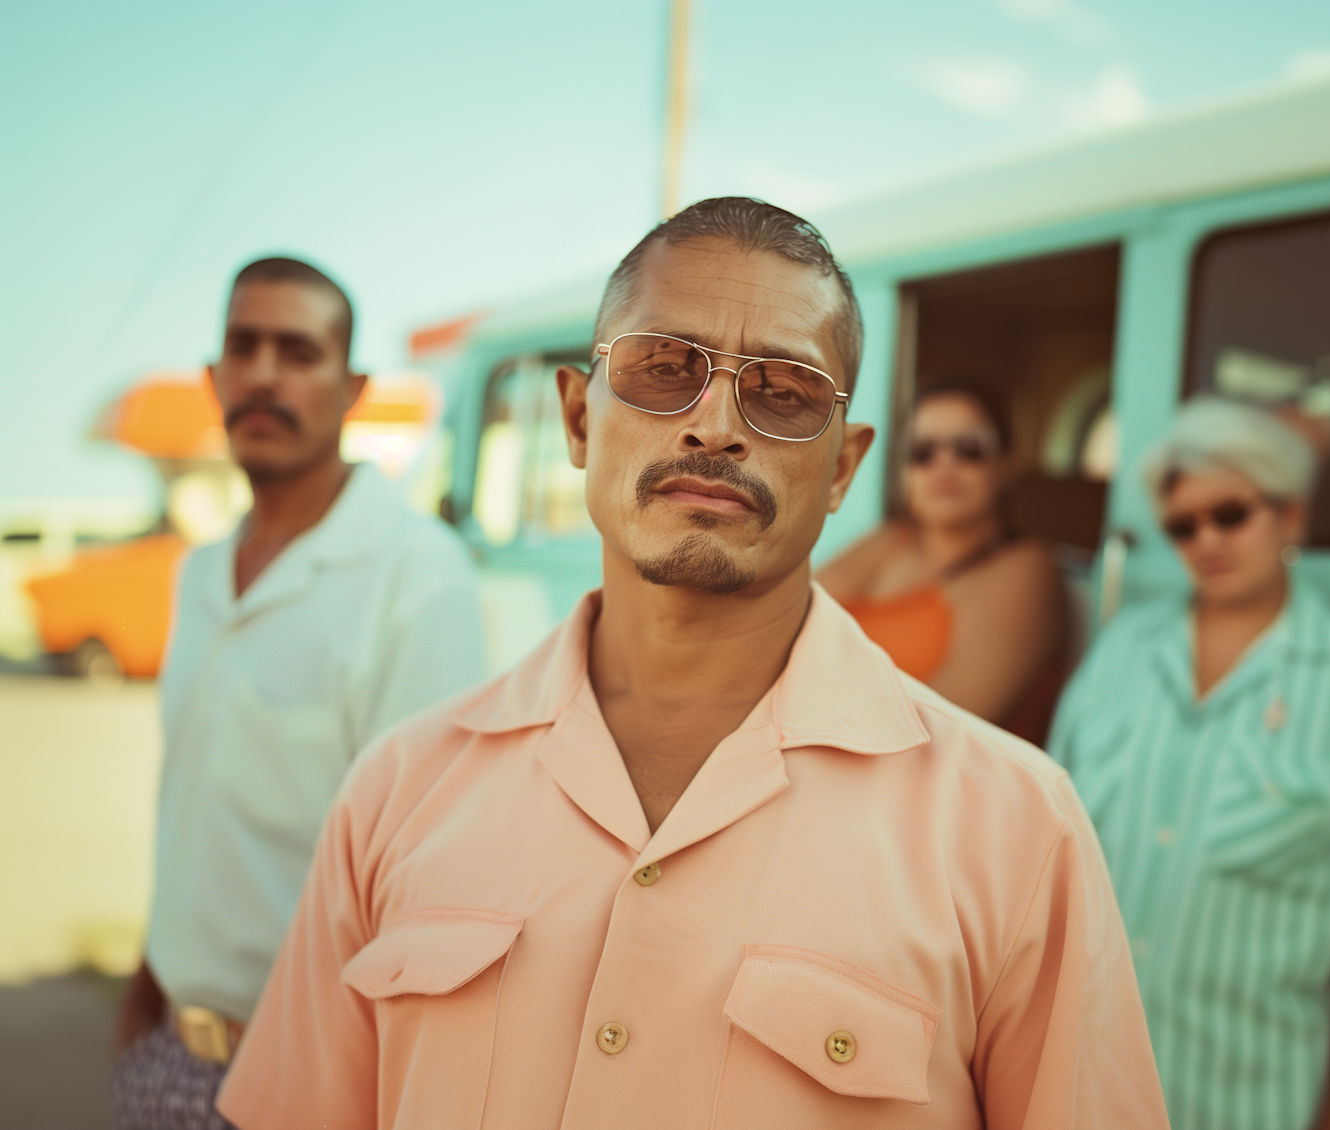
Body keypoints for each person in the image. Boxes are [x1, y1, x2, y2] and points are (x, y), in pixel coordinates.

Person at [216, 199, 1168, 1129]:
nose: (715, 424)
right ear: (580, 420)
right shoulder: (398, 789)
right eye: (664, 369)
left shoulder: (1012, 830)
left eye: (783, 394)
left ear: (842, 469)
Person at [111, 257, 488, 1129]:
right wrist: (143, 991)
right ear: (213, 379)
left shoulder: (416, 574)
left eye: (298, 351)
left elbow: (425, 873)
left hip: (308, 1080)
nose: (265, 374)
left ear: (352, 387)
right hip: (164, 1058)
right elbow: (195, 807)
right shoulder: (201, 574)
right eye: (243, 348)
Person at [1049, 397, 1330, 1130]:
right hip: (1074, 1095)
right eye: (1183, 525)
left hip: (1244, 1107)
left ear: (1292, 516)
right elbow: (1048, 850)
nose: (1207, 539)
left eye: (1232, 513)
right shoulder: (1122, 651)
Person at [817, 382, 1067, 742]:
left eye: (969, 449)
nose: (944, 464)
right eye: (922, 451)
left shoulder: (1027, 569)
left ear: (1007, 464)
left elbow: (942, 725)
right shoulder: (888, 542)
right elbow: (782, 620)